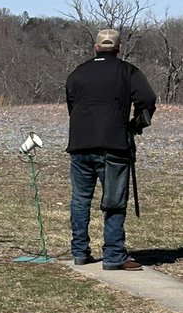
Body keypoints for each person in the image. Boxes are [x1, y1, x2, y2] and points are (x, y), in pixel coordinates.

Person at [65, 28, 156, 270]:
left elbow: (72, 106)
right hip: (114, 144)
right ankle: (114, 255)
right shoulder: (128, 71)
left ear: (96, 48)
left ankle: (80, 252)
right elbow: (147, 100)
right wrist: (136, 125)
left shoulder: (77, 73)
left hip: (79, 144)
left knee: (80, 200)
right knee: (114, 201)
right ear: (118, 48)